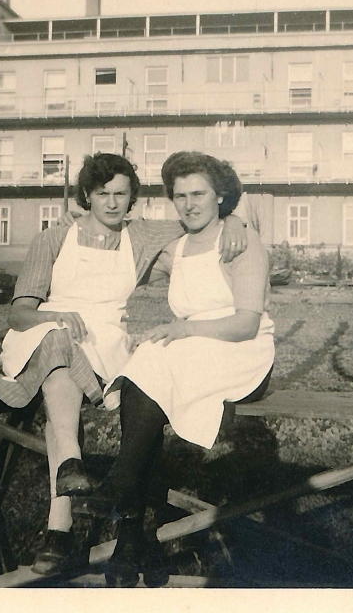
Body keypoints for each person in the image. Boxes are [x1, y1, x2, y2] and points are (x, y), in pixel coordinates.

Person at [0, 152, 249, 575]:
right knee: (56, 344)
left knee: (78, 386)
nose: (111, 203)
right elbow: (18, 314)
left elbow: (200, 218)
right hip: (41, 333)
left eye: (121, 194)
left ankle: (62, 521)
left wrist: (234, 219)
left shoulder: (140, 237)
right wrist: (52, 316)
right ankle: (70, 471)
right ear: (86, 196)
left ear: (132, 200)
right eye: (102, 193)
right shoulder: (53, 239)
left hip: (104, 340)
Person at [98, 151, 275, 587]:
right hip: (191, 350)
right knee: (150, 359)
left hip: (241, 351)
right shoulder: (176, 248)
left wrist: (186, 328)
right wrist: (78, 225)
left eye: (199, 194)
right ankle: (133, 538)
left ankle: (122, 500)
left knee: (159, 360)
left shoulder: (240, 241)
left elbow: (246, 322)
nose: (189, 204)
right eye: (180, 196)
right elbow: (119, 249)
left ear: (220, 197)